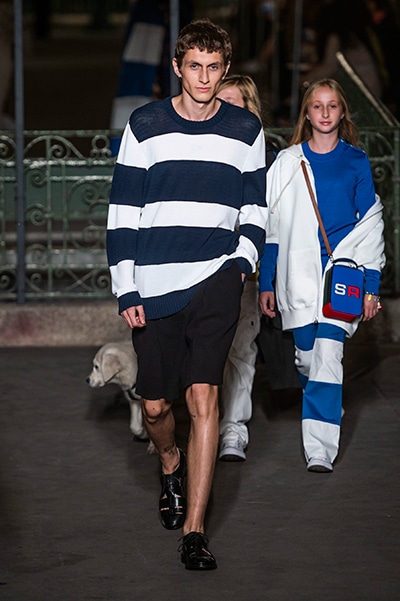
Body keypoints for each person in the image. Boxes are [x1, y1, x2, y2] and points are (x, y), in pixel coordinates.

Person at [106, 18, 267, 569]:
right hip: (153, 283)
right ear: (177, 67)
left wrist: (241, 264)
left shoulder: (245, 129)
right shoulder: (145, 125)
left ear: (225, 69)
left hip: (217, 278)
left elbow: (255, 208)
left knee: (204, 398)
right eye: (194, 66)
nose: (203, 77)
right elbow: (124, 212)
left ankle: (195, 532)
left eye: (213, 67)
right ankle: (170, 461)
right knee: (155, 406)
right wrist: (126, 287)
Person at [258, 78, 385, 473]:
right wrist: (265, 281)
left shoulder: (356, 161)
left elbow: (370, 226)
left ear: (342, 112)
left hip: (341, 274)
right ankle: (325, 396)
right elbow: (273, 227)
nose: (325, 112)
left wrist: (371, 286)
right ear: (307, 113)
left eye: (332, 105)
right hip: (297, 274)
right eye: (317, 105)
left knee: (329, 355)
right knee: (307, 357)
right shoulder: (286, 163)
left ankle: (320, 448)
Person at [217, 74, 296, 461]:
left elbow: (277, 219)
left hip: (244, 268)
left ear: (251, 109)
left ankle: (233, 429)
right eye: (220, 102)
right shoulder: (199, 147)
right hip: (200, 266)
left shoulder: (268, 159)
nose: (225, 109)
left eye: (234, 102)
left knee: (240, 348)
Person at [301, 0, 387, 100]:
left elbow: (329, 67)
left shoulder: (338, 38)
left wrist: (305, 80)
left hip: (361, 91)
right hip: (371, 88)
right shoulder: (355, 37)